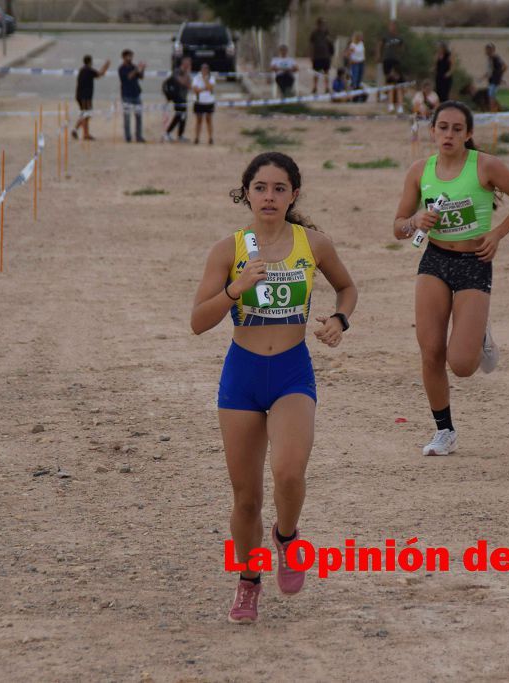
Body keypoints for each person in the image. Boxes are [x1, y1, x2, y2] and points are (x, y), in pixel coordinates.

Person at [190, 152, 358, 624]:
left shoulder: (314, 244)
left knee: (288, 473)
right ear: (247, 193)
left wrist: (341, 319)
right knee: (245, 499)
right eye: (260, 187)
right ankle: (248, 582)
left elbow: (347, 288)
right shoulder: (228, 250)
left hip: (290, 373)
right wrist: (235, 288)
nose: (269, 196)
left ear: (293, 195)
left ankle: (286, 537)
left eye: (279, 188)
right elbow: (197, 323)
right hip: (241, 376)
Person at [393, 101, 509, 456]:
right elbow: (398, 228)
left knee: (463, 365)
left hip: (474, 262)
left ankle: (478, 330)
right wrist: (415, 221)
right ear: (432, 131)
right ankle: (444, 430)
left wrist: (497, 234)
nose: (448, 134)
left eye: (456, 129)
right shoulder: (420, 171)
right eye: (442, 128)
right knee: (430, 351)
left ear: (468, 134)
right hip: (435, 260)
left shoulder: (485, 166)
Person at [72, 54, 109, 141]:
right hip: (85, 96)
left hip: (81, 95)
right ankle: (85, 134)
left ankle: (75, 130)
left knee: (86, 114)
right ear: (90, 61)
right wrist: (106, 66)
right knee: (86, 114)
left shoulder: (82, 70)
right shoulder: (88, 70)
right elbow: (100, 74)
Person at [118, 49, 146, 143]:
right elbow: (129, 77)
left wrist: (142, 69)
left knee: (139, 116)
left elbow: (141, 77)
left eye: (131, 56)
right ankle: (128, 137)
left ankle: (138, 136)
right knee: (127, 117)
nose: (130, 58)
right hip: (126, 95)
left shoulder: (133, 66)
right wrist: (136, 69)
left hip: (136, 94)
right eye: (129, 56)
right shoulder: (122, 68)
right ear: (124, 57)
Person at [379, 21, 405, 113]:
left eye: (394, 26)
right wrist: (379, 56)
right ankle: (390, 104)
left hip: (396, 61)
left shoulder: (399, 37)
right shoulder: (385, 37)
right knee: (390, 83)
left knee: (399, 83)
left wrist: (400, 55)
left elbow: (402, 48)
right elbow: (380, 46)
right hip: (387, 61)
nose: (392, 27)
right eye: (391, 26)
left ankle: (400, 105)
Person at [163, 56, 191, 143]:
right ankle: (167, 133)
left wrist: (186, 78)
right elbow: (182, 82)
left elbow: (189, 85)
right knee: (178, 115)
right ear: (184, 63)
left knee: (183, 116)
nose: (189, 65)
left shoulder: (186, 73)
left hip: (184, 97)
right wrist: (186, 75)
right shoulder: (177, 71)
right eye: (188, 63)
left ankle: (180, 135)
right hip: (177, 97)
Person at [192, 62, 216, 145]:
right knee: (199, 120)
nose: (204, 70)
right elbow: (195, 90)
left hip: (209, 102)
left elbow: (210, 87)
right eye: (203, 69)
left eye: (206, 69)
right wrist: (205, 88)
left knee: (209, 120)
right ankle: (197, 137)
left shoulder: (211, 78)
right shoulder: (196, 78)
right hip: (199, 102)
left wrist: (205, 81)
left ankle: (210, 138)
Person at [309, 17, 333, 94]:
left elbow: (330, 44)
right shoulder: (314, 33)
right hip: (317, 56)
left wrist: (331, 53)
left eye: (324, 24)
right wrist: (311, 55)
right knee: (316, 72)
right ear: (318, 24)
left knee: (326, 72)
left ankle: (327, 87)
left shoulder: (327, 32)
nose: (323, 25)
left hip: (326, 56)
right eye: (321, 24)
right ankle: (315, 87)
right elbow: (311, 45)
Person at [483, 43, 507, 113]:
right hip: (492, 80)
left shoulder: (495, 58)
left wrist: (499, 77)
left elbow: (504, 67)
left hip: (495, 80)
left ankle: (492, 111)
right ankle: (498, 110)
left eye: (489, 49)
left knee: (491, 96)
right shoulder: (491, 58)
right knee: (492, 96)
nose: (487, 51)